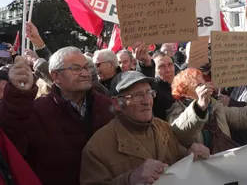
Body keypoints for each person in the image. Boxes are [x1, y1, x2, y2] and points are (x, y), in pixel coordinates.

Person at [0, 47, 114, 185]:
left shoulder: (106, 105)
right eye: (76, 68)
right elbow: (11, 143)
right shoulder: (37, 111)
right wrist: (17, 98)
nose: (85, 73)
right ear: (55, 76)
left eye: (87, 67)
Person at [80, 71, 210, 185]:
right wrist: (130, 179)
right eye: (137, 95)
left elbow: (177, 162)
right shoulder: (97, 148)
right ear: (117, 104)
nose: (147, 101)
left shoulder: (163, 126)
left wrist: (191, 155)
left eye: (149, 93)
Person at [166, 68, 247, 152]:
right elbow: (179, 133)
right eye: (199, 85)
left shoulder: (214, 104)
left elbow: (242, 117)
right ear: (185, 93)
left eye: (204, 82)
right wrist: (199, 108)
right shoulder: (176, 111)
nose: (205, 86)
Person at [151, 51, 176, 120]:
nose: (168, 70)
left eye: (170, 65)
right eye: (161, 66)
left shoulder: (181, 84)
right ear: (154, 70)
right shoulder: (153, 90)